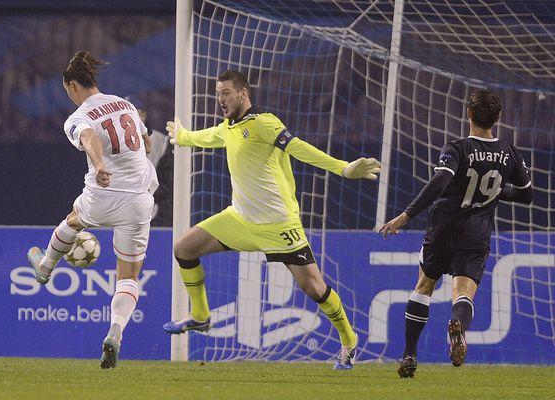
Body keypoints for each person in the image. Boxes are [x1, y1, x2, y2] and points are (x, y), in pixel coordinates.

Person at [163, 70, 381, 370]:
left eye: (226, 92)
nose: (220, 99)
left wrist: (343, 168)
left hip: (279, 224)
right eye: (217, 93)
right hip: (240, 219)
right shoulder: (229, 127)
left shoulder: (265, 122)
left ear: (243, 93)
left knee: (314, 288)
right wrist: (184, 136)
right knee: (184, 248)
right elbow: (209, 136)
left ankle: (349, 340)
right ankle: (200, 317)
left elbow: (300, 148)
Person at [378, 89, 532, 378]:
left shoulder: (457, 148)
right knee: (463, 296)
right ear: (497, 118)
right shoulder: (510, 153)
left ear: (469, 114)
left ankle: (410, 354)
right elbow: (526, 195)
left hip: (443, 229)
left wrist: (405, 215)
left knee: (424, 286)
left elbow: (439, 182)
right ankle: (458, 327)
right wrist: (498, 190)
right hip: (476, 234)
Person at [27, 51, 158, 369]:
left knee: (74, 219)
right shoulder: (125, 105)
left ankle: (45, 267)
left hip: (103, 194)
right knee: (128, 276)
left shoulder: (78, 117)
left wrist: (100, 163)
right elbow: (148, 143)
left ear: (72, 86)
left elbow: (87, 137)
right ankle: (115, 332)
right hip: (139, 200)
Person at [123, 95, 173, 227]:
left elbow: (167, 187)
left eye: (132, 114)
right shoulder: (109, 146)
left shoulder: (161, 143)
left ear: (143, 115)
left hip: (154, 216)